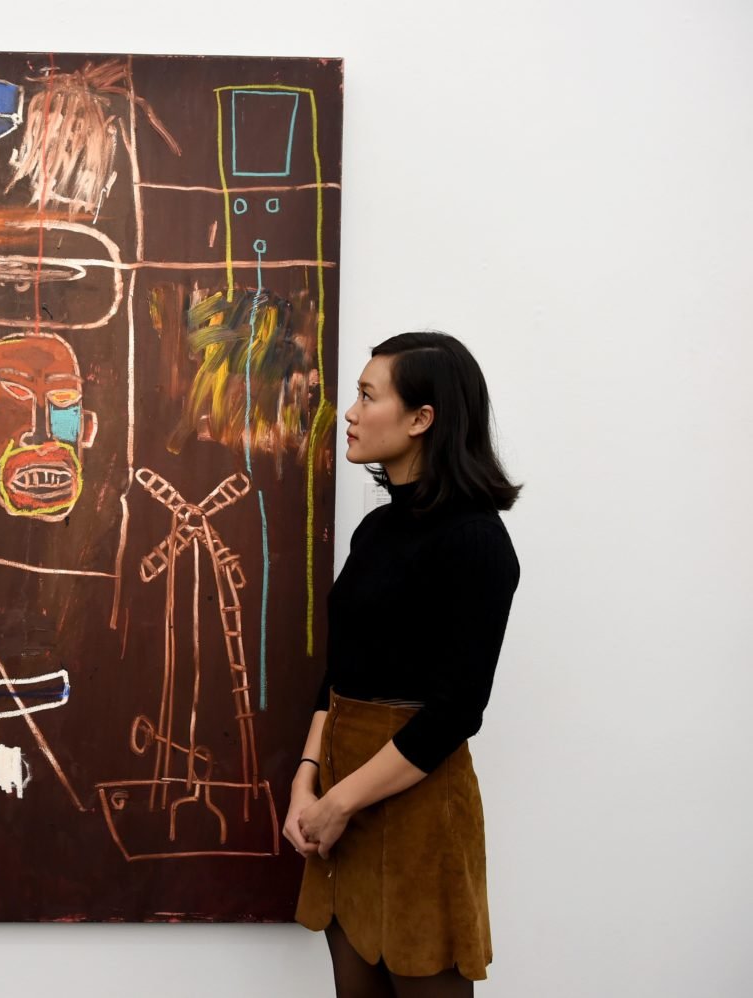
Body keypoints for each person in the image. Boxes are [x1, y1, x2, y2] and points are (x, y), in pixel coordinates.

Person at [284, 331, 521, 996]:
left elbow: (455, 712)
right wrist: (308, 783)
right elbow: (341, 674)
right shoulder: (378, 530)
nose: (350, 413)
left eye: (367, 395)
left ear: (422, 420)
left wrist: (340, 802)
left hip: (414, 805)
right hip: (340, 801)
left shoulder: (476, 542)